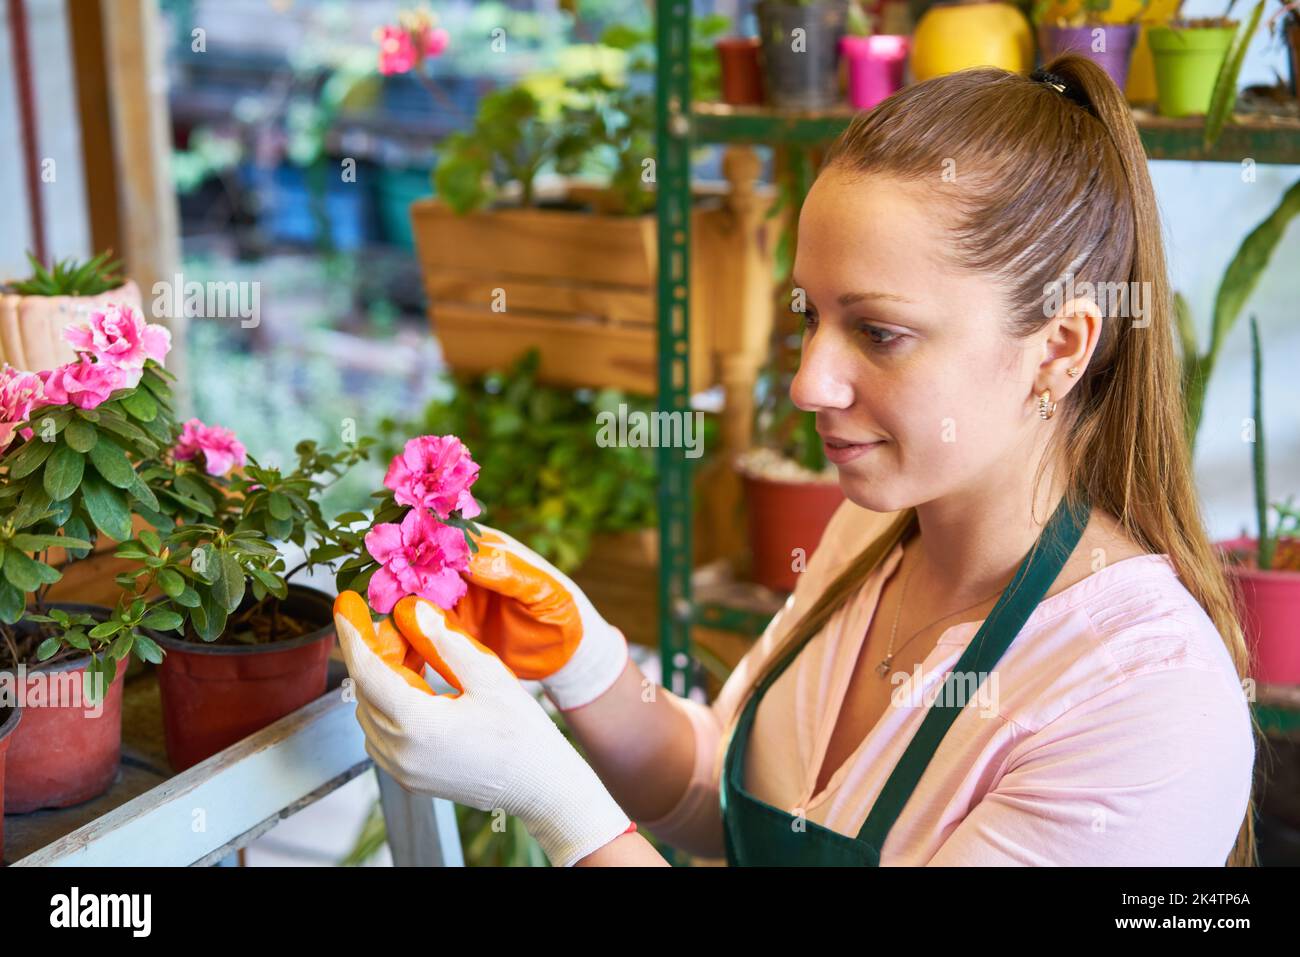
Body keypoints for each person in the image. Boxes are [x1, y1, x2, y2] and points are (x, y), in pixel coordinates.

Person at [332, 53, 1260, 867]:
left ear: (1060, 348)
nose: (811, 382)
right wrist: (590, 668)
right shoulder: (872, 531)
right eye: (809, 315)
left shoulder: (1142, 696)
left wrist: (558, 805)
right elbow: (725, 800)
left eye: (881, 332)